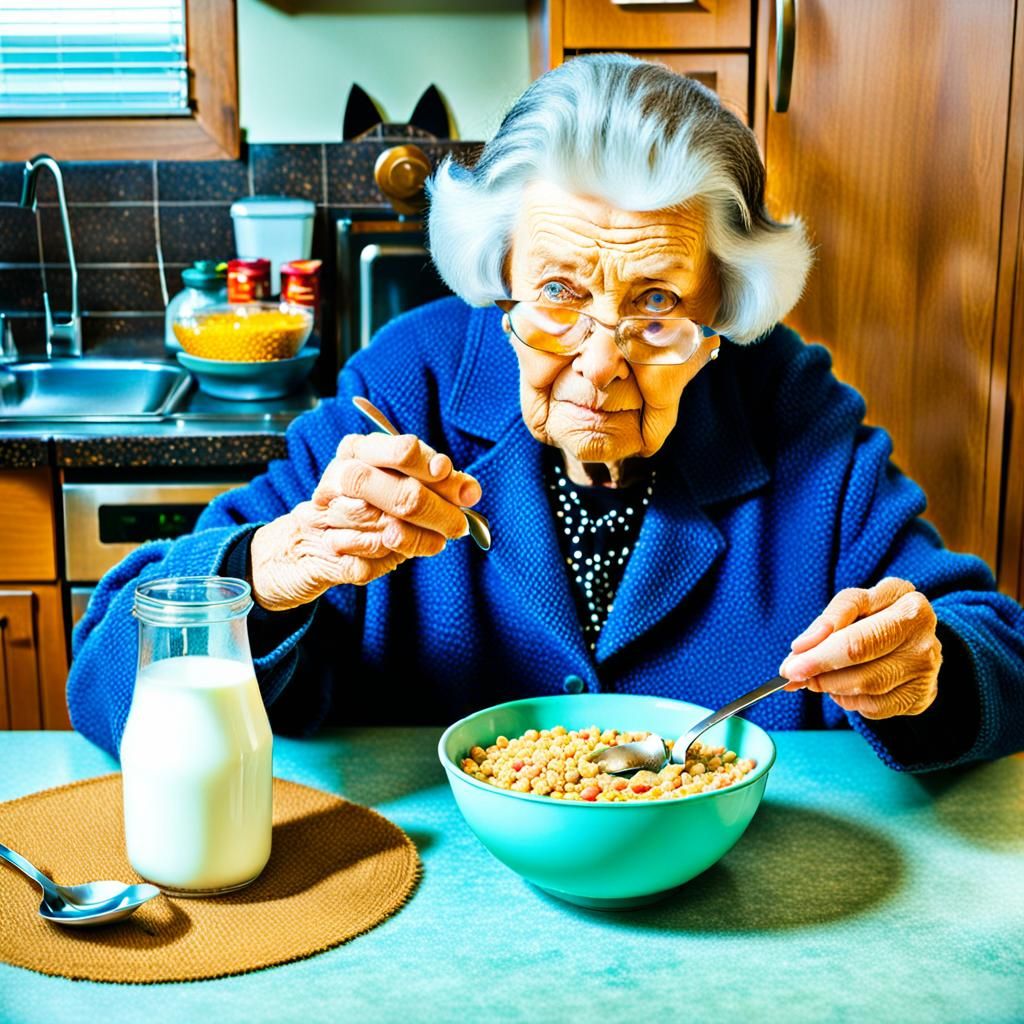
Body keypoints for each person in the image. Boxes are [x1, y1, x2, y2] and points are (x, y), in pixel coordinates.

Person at [69, 54, 1024, 768]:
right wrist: (273, 569)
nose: (600, 365)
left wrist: (923, 674)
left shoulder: (789, 406)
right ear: (501, 278)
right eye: (561, 292)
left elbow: (995, 648)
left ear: (724, 308)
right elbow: (109, 673)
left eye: (656, 304)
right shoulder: (410, 386)